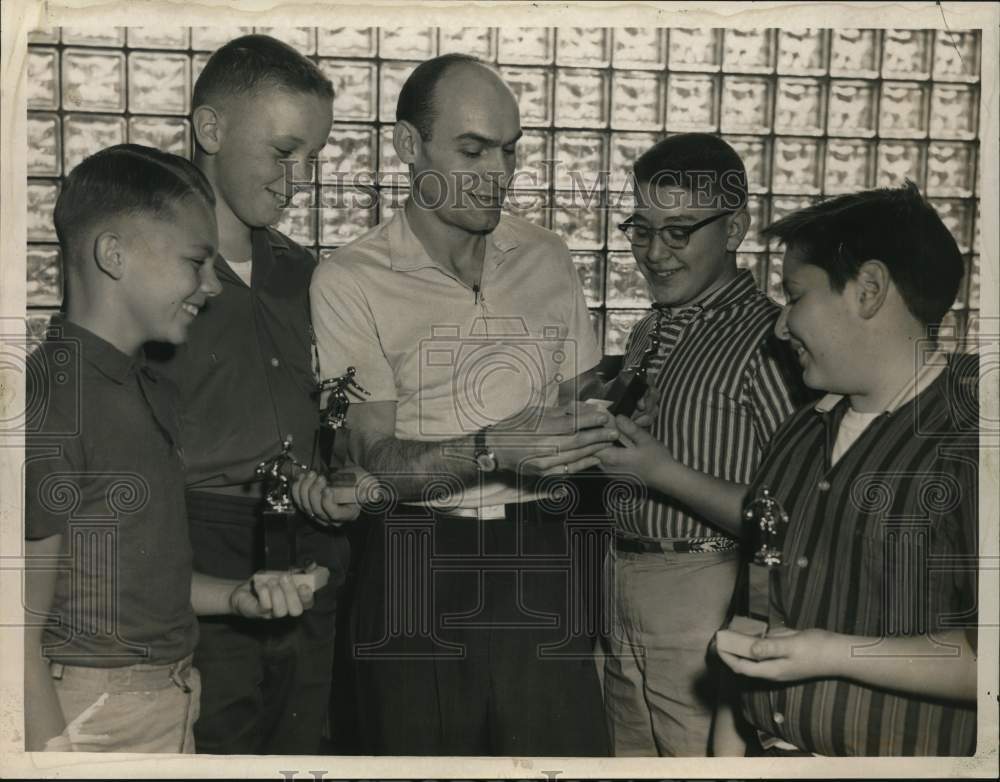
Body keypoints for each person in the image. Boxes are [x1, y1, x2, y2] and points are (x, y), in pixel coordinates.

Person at [310, 53, 618, 756]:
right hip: (415, 557)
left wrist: (624, 399)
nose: (499, 174)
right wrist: (493, 448)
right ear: (407, 146)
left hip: (543, 546)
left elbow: (581, 404)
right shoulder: (349, 279)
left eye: (509, 151)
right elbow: (373, 464)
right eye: (472, 150)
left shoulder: (547, 254)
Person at [24, 144, 317, 753]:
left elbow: (136, 575)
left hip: (174, 694)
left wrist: (236, 596)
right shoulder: (49, 401)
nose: (211, 285)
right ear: (114, 255)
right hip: (88, 714)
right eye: (195, 262)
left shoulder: (150, 385)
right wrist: (50, 761)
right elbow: (13, 631)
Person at [147, 35, 360, 755]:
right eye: (282, 152)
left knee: (302, 742)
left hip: (306, 548)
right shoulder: (151, 275)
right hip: (197, 552)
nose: (298, 179)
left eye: (313, 159)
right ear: (210, 130)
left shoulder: (306, 275)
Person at [713, 181, 978, 756]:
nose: (781, 326)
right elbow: (754, 616)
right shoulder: (801, 431)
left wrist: (834, 653)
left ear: (868, 290)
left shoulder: (973, 438)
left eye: (795, 296)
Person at [592, 134, 802, 756]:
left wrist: (660, 472)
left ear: (734, 228)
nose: (654, 253)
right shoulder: (648, 329)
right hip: (618, 574)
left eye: (680, 231)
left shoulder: (773, 338)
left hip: (707, 586)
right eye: (641, 228)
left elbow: (789, 514)